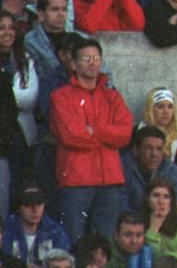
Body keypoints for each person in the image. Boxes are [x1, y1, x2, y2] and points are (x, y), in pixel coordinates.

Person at [51, 38, 132, 241]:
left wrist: (94, 131)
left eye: (96, 58)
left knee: (105, 243)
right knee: (73, 240)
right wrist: (107, 136)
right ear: (74, 63)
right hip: (76, 179)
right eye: (86, 58)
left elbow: (125, 134)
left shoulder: (112, 96)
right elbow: (71, 136)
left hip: (110, 179)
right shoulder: (61, 97)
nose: (92, 62)